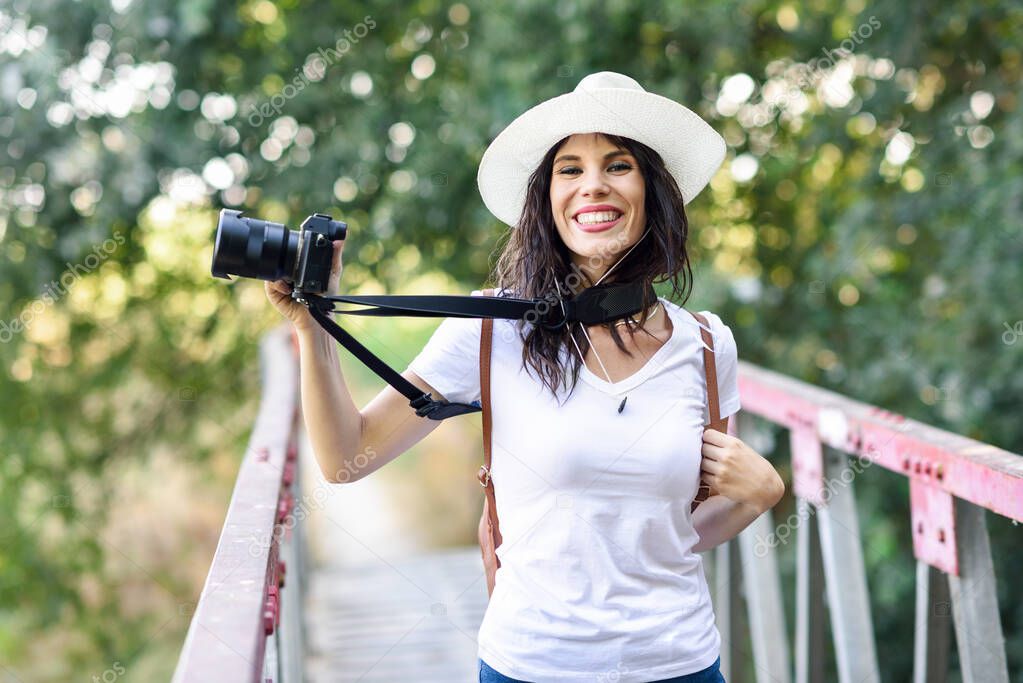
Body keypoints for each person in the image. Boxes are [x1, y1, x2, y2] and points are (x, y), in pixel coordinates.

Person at [267, 71, 784, 683]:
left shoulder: (704, 345)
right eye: (570, 169)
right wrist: (310, 329)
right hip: (533, 665)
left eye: (618, 166)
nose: (593, 185)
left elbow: (684, 528)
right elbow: (346, 456)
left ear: (652, 190)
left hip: (679, 663)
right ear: (546, 199)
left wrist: (761, 498)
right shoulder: (491, 329)